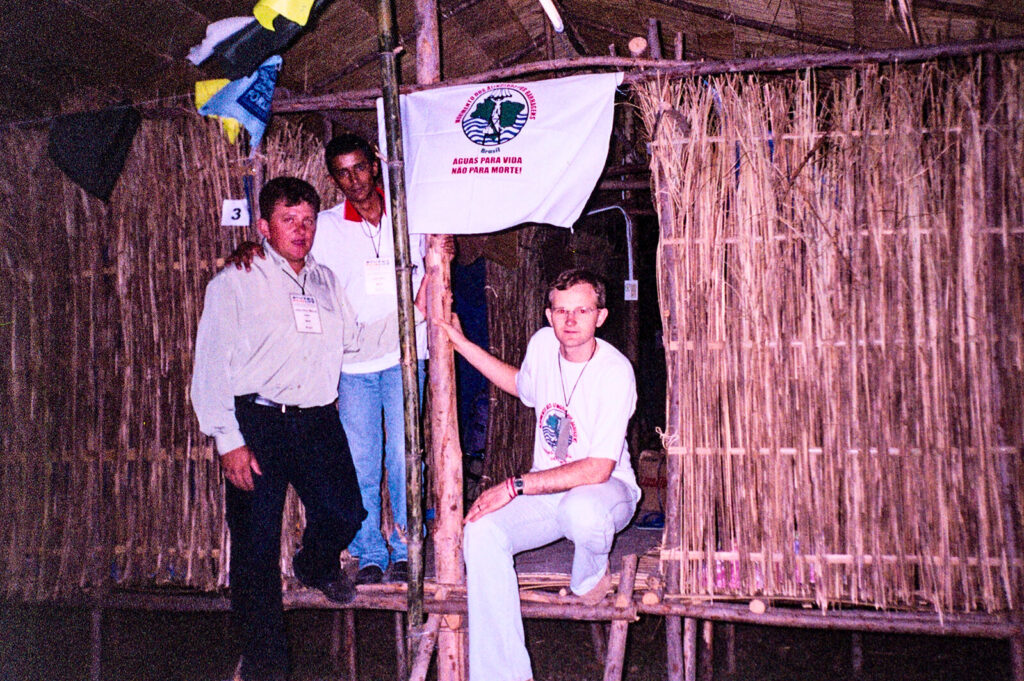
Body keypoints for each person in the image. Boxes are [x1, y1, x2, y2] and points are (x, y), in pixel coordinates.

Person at [227, 134, 429, 586]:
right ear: (333, 177)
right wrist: (250, 250)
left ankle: (405, 546)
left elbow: (442, 259)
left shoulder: (412, 216)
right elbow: (287, 257)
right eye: (341, 172)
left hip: (405, 352)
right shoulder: (329, 225)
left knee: (403, 456)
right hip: (352, 363)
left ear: (375, 166)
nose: (353, 179)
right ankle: (369, 551)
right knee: (360, 460)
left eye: (359, 167)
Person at [191, 177, 366, 681]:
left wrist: (417, 312)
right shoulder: (235, 281)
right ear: (264, 226)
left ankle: (314, 564)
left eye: (309, 220)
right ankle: (267, 666)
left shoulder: (326, 280)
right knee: (256, 547)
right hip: (259, 421)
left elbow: (353, 338)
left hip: (316, 420)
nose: (301, 230)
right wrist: (229, 441)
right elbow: (210, 367)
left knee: (345, 509)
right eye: (288, 220)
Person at [438, 268, 640, 681]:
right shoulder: (543, 344)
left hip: (606, 491)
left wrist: (515, 486)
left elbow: (599, 468)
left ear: (600, 316)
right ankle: (503, 674)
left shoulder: (615, 372)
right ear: (548, 315)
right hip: (548, 492)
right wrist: (462, 345)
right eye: (561, 310)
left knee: (581, 512)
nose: (569, 320)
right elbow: (521, 385)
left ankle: (590, 577)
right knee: (482, 531)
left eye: (581, 310)